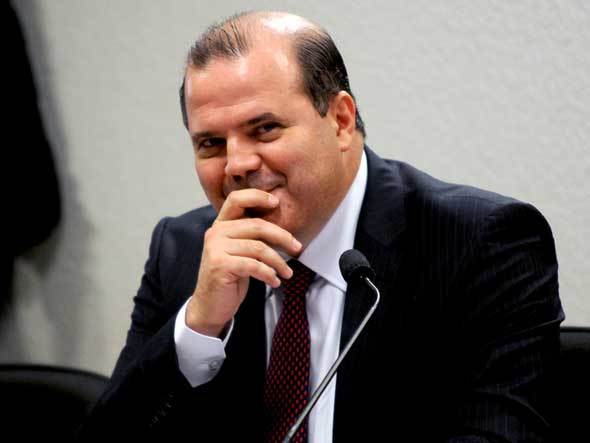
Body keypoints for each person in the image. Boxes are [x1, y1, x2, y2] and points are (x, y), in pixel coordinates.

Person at [80, 11, 564, 442]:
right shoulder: (183, 251)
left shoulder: (481, 241)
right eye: (210, 144)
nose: (237, 164)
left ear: (340, 120)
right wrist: (199, 328)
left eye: (264, 129)